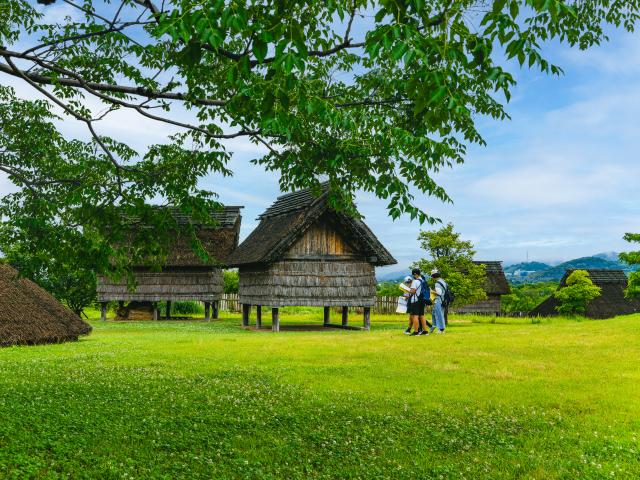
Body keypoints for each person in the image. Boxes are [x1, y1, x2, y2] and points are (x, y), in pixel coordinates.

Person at [406, 268, 432, 336]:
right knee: (422, 315)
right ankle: (425, 331)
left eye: (413, 275)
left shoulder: (415, 281)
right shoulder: (423, 281)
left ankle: (416, 332)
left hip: (416, 300)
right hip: (422, 300)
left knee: (415, 316)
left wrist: (408, 290)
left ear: (415, 274)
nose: (413, 276)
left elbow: (413, 291)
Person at [430, 269, 447, 334]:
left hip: (438, 300)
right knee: (434, 314)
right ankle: (434, 326)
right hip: (443, 300)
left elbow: (439, 293)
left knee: (438, 314)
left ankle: (441, 329)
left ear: (434, 276)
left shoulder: (437, 283)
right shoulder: (443, 281)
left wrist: (431, 291)